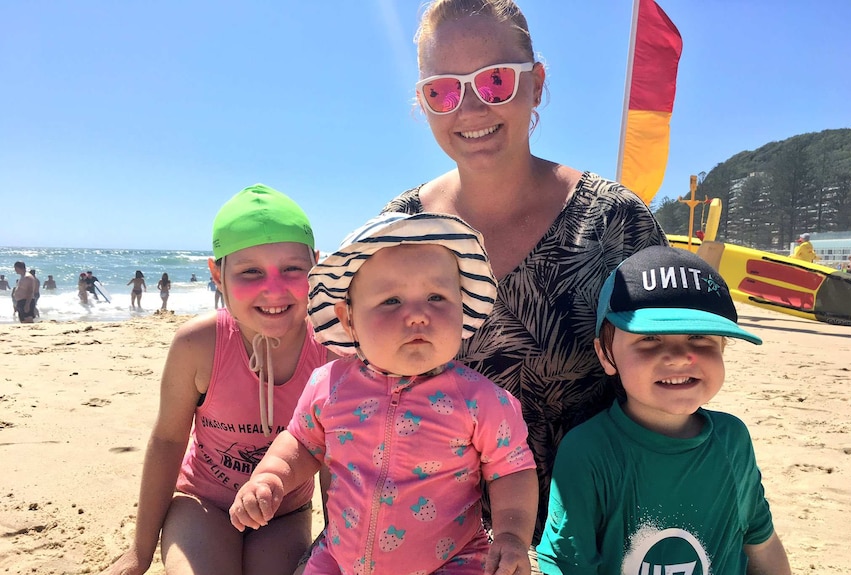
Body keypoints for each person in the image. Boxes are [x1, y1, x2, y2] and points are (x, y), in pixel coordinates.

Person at [380, 0, 667, 549]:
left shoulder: (614, 223)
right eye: (442, 89)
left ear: (535, 83)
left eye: (494, 81)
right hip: (432, 544)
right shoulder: (399, 231)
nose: (469, 107)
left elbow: (665, 393)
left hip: (588, 540)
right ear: (424, 102)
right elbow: (363, 391)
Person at [230, 212, 538, 575]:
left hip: (451, 560)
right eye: (392, 301)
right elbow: (301, 444)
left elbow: (511, 471)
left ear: (462, 307)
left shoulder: (480, 400)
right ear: (348, 320)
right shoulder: (330, 385)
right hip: (342, 557)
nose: (418, 315)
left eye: (437, 297)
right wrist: (270, 478)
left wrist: (512, 534)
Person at [100, 184, 332, 575]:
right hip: (204, 503)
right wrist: (139, 551)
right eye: (250, 271)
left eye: (292, 268)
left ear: (317, 265)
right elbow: (168, 439)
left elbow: (334, 457)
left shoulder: (329, 349)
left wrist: (340, 545)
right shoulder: (199, 343)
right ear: (217, 274)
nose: (272, 289)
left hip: (284, 512)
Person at [537, 246, 791, 575]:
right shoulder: (588, 451)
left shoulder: (733, 440)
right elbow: (567, 566)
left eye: (699, 336)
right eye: (650, 338)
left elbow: (761, 543)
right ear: (606, 356)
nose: (679, 357)